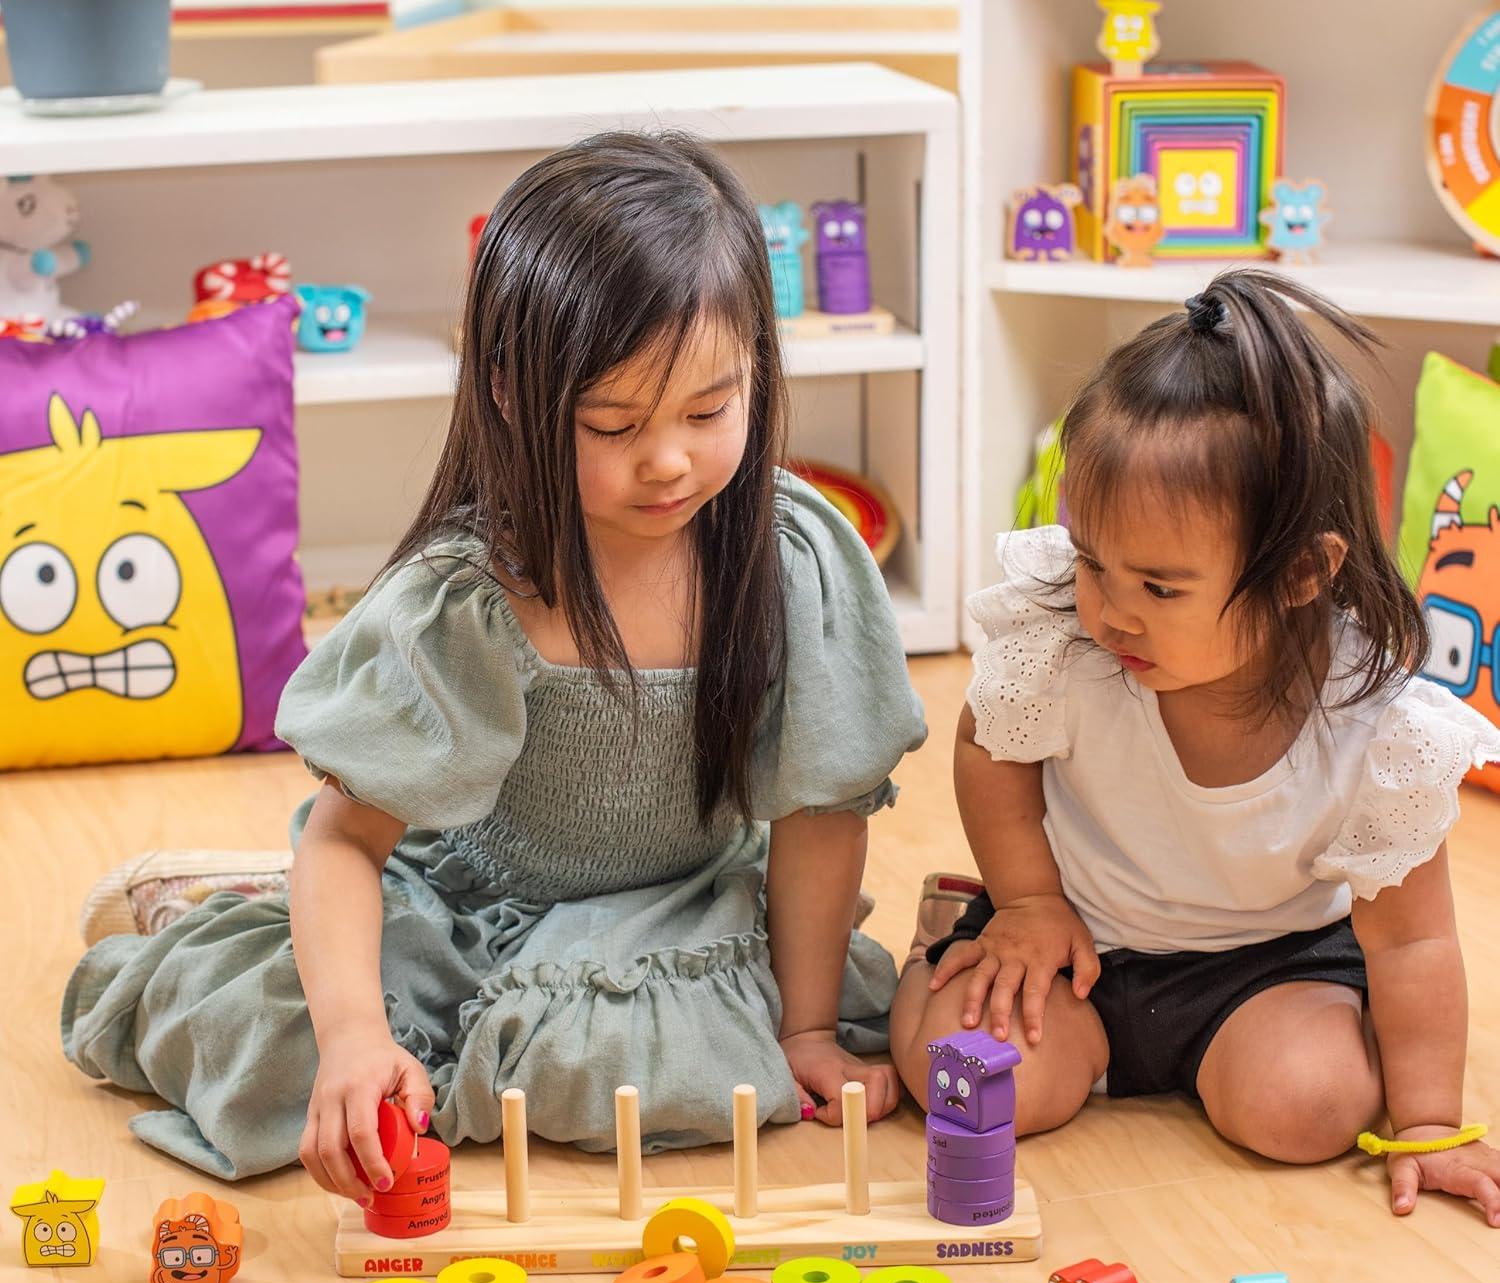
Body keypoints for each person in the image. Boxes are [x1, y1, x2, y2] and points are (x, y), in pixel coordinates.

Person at [63, 131, 926, 1194]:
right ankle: (214, 901)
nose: (668, 461)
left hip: (675, 908)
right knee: (272, 1050)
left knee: (622, 1069)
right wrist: (348, 1039)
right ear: (514, 393)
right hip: (458, 905)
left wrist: (804, 1028)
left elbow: (820, 813)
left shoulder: (787, 557)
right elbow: (348, 837)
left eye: (710, 411)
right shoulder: (472, 596)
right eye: (614, 424)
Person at [892, 269, 1500, 1226]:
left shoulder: (1371, 724)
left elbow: (1415, 939)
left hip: (1268, 968)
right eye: (1092, 561)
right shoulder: (1071, 641)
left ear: (1304, 570)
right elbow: (989, 741)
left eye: (1160, 588)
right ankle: (943, 949)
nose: (1109, 608)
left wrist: (1428, 1122)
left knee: (1310, 1108)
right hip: (1075, 942)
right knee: (969, 1083)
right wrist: (1030, 901)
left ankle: (1229, 1063)